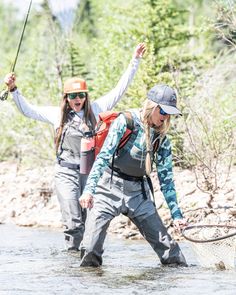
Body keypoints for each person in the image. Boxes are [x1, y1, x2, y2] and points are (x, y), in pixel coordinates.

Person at [4, 43, 146, 251]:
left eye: (81, 95)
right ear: (66, 98)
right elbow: (28, 110)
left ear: (86, 97)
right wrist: (13, 90)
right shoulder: (56, 115)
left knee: (89, 220)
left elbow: (119, 90)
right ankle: (72, 262)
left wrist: (135, 61)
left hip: (89, 173)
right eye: (73, 96)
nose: (77, 99)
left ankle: (86, 261)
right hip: (65, 172)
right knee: (73, 222)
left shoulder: (96, 109)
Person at [79, 84, 188, 267]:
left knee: (172, 256)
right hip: (108, 187)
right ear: (151, 106)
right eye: (163, 111)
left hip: (139, 194)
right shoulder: (126, 121)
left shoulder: (162, 140)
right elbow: (104, 156)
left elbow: (167, 181)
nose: (166, 117)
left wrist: (177, 215)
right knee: (90, 251)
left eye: (169, 113)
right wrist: (89, 190)